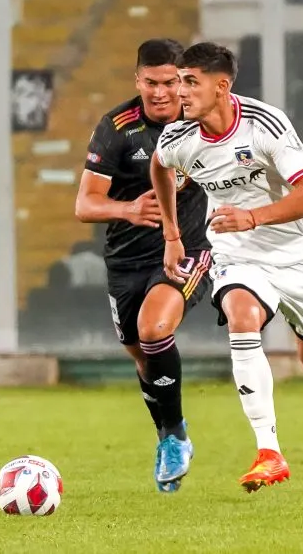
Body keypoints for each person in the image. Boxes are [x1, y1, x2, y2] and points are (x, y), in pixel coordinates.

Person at [151, 42, 303, 493]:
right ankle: (269, 452)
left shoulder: (263, 124)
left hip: (300, 257)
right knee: (241, 315)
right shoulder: (177, 139)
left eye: (190, 81)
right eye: (178, 82)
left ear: (222, 85)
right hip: (238, 253)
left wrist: (252, 215)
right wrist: (172, 235)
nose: (180, 91)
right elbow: (160, 168)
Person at [74, 39, 213, 492]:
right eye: (150, 82)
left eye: (170, 82)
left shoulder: (204, 121)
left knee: (155, 330)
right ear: (138, 81)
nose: (160, 92)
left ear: (184, 80)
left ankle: (174, 437)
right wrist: (129, 210)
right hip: (125, 260)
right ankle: (168, 432)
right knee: (142, 356)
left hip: (188, 249)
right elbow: (85, 205)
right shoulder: (116, 128)